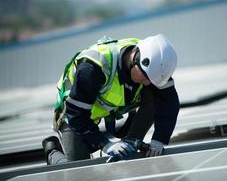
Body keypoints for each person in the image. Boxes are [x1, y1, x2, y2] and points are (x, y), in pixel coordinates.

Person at [42, 34, 180, 165]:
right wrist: (105, 145)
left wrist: (159, 139)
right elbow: (76, 115)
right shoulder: (92, 68)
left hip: (110, 110)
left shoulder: (155, 64)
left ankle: (132, 141)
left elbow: (169, 102)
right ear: (135, 59)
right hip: (75, 116)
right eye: (145, 77)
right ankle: (52, 151)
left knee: (155, 95)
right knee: (77, 171)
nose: (147, 83)